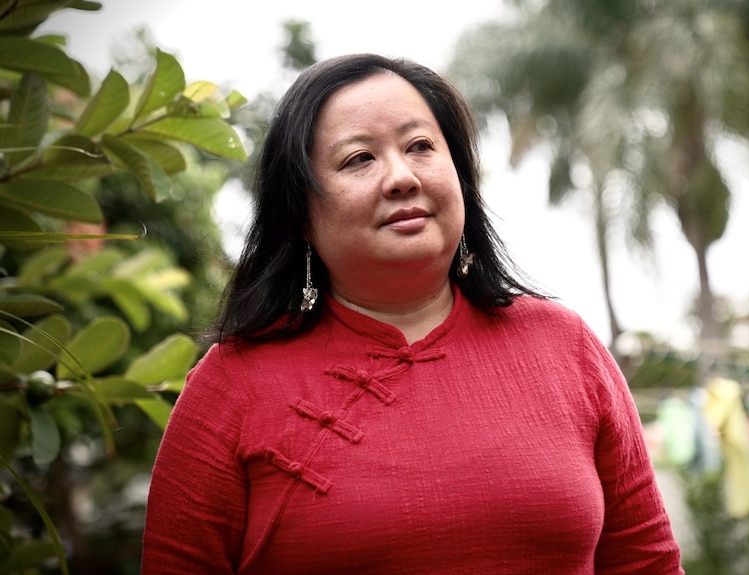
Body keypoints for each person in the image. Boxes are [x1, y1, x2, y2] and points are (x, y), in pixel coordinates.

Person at [141, 53, 684, 574]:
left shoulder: (565, 347)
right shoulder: (230, 386)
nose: (402, 176)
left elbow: (647, 563)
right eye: (359, 158)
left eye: (421, 146)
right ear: (301, 216)